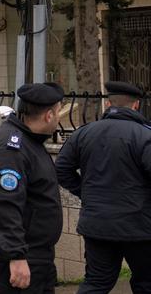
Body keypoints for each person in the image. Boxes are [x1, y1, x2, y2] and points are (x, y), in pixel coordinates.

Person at [55, 81, 151, 294]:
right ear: (136, 105)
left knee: (96, 283)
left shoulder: (84, 133)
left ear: (108, 104)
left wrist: (85, 192)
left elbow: (61, 169)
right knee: (146, 283)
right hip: (140, 227)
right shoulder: (145, 135)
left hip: (97, 225)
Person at [0, 82, 64, 294]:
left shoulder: (29, 142)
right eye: (59, 111)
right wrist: (16, 256)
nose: (60, 117)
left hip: (35, 254)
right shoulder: (11, 148)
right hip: (17, 257)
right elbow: (5, 205)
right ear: (49, 116)